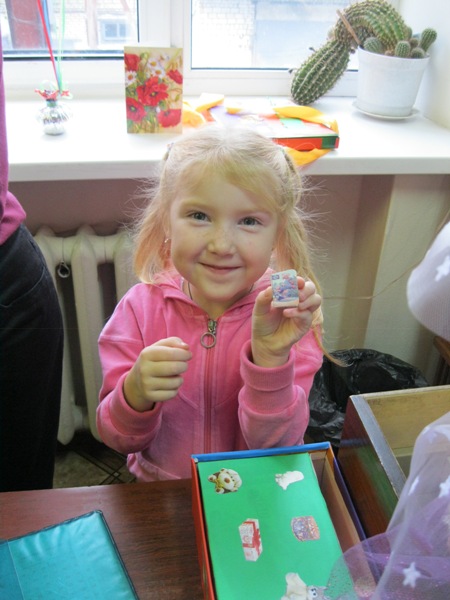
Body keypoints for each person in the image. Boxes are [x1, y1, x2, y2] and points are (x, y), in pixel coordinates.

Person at [97, 125, 324, 481]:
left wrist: (271, 360)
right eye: (199, 216)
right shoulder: (139, 309)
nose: (221, 245)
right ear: (166, 221)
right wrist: (135, 392)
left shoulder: (287, 316)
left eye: (249, 221)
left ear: (278, 234)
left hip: (252, 492)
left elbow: (279, 446)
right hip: (162, 490)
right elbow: (117, 438)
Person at [0, 36, 63, 491]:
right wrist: (135, 395)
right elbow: (121, 430)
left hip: (10, 283)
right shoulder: (143, 308)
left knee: (20, 490)